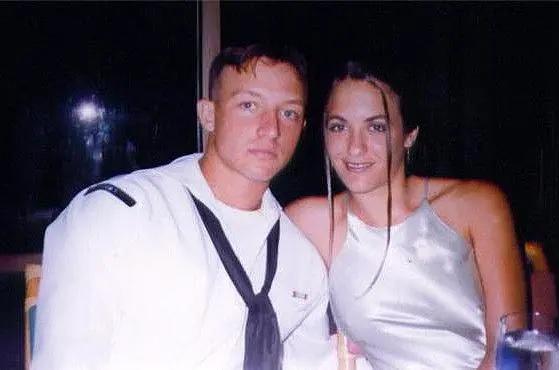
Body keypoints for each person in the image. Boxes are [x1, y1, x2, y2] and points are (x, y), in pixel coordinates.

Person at [32, 44, 338, 370]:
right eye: (249, 105)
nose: (271, 128)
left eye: (288, 113)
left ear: (302, 127)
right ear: (208, 115)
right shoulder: (116, 217)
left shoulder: (302, 261)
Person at [286, 61, 526, 370]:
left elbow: (508, 351)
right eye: (339, 126)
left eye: (376, 127)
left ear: (409, 134)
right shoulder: (311, 223)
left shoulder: (476, 205)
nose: (354, 147)